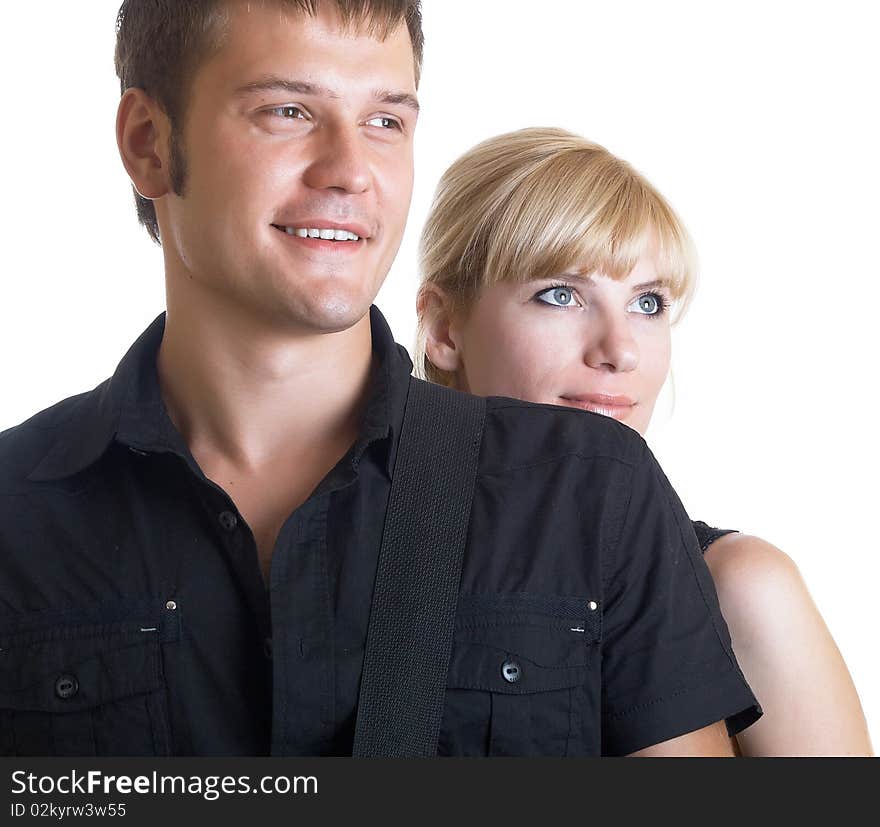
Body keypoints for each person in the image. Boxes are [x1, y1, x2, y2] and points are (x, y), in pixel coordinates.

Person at [0, 1, 759, 757]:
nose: (351, 171)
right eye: (288, 110)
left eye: (386, 121)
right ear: (149, 143)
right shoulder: (15, 514)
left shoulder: (593, 490)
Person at [416, 126, 873, 756]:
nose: (621, 349)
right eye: (561, 294)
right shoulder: (341, 549)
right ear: (444, 328)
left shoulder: (742, 586)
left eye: (649, 303)